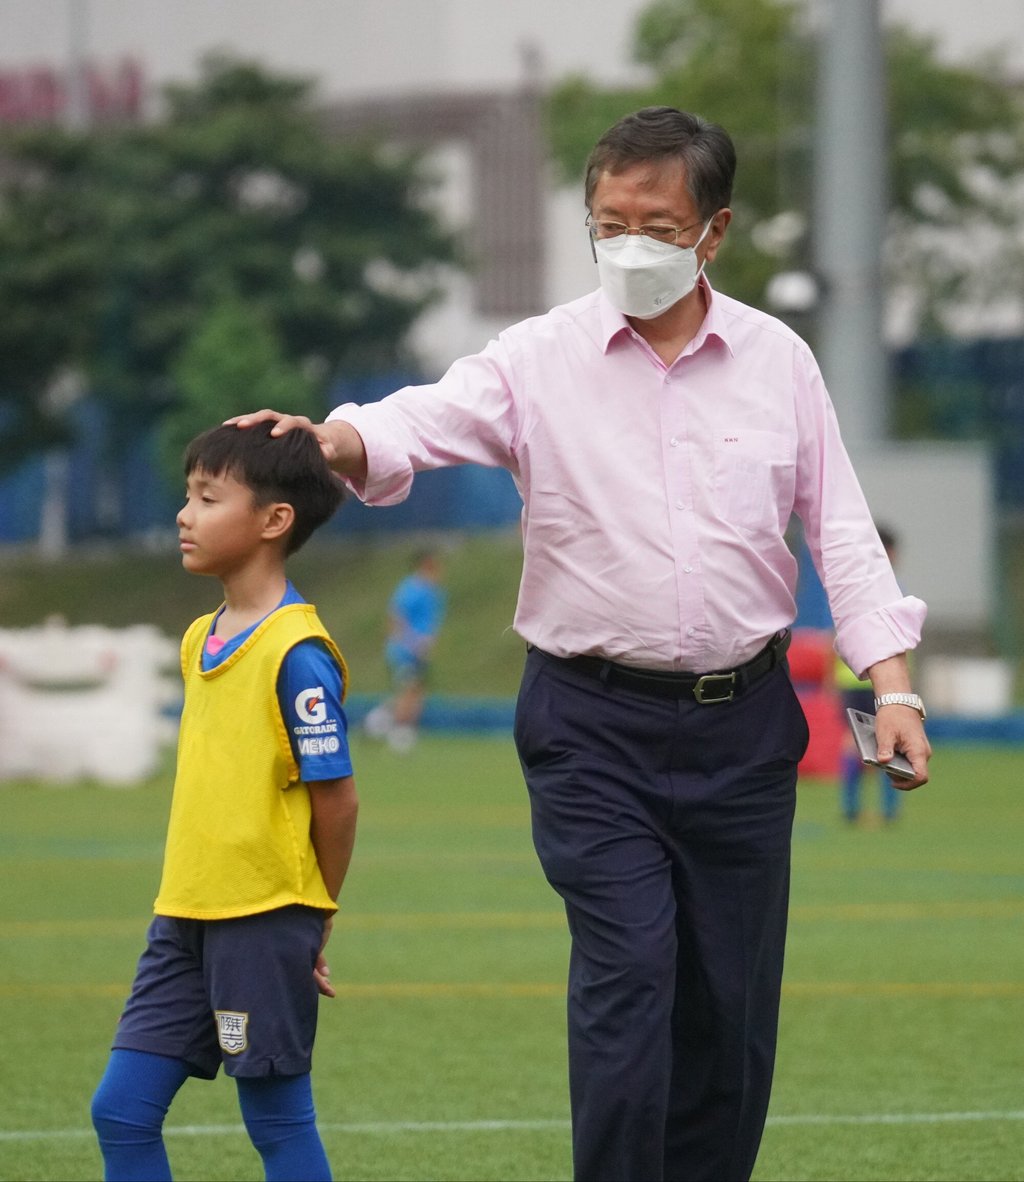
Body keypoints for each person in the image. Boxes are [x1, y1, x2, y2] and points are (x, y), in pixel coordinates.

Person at [229, 106, 932, 1182]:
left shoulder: (777, 362)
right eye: (609, 222)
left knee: (727, 1008)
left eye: (657, 222)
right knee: (629, 974)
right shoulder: (538, 358)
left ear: (714, 231)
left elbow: (836, 527)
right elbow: (423, 418)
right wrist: (338, 437)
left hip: (741, 728)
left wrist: (890, 687)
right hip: (588, 723)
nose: (630, 244)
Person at [91, 422, 357, 1182]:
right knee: (121, 1111)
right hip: (182, 915)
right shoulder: (198, 638)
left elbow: (337, 803)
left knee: (275, 1122)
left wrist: (314, 916)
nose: (185, 514)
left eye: (208, 498)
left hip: (262, 922)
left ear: (274, 521)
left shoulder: (296, 656)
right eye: (187, 496)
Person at [835, 524, 906, 824]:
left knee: (856, 742)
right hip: (875, 679)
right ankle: (885, 810)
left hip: (850, 677)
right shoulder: (882, 588)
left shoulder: (850, 583)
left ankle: (853, 809)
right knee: (890, 740)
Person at [364, 547, 446, 752]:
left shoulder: (435, 592)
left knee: (416, 692)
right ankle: (399, 734)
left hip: (421, 651)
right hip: (404, 651)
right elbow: (395, 619)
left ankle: (378, 721)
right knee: (408, 691)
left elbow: (431, 624)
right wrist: (410, 643)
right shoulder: (410, 589)